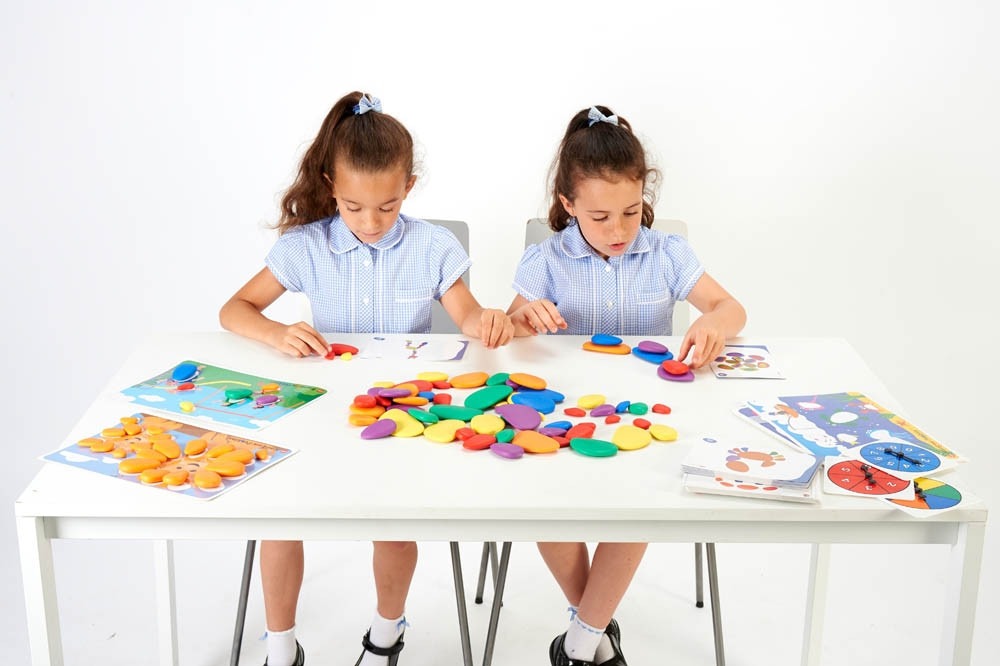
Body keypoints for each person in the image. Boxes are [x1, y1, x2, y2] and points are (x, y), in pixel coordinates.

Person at [220, 90, 514, 666]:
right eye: (355, 207)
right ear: (331, 184)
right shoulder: (306, 246)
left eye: (388, 205)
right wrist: (277, 333)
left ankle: (386, 635)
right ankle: (280, 647)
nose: (372, 222)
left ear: (409, 184)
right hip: (322, 407)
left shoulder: (433, 246)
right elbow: (234, 310)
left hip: (402, 413)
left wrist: (490, 321)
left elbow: (469, 317)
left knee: (394, 525)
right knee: (279, 516)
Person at [507, 105, 747, 666]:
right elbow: (506, 336)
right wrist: (523, 319)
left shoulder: (667, 254)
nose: (617, 230)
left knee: (638, 506)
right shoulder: (545, 259)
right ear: (567, 206)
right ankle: (594, 632)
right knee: (543, 506)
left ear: (645, 199)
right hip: (565, 417)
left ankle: (582, 640)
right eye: (599, 217)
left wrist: (714, 321)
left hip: (648, 421)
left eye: (631, 212)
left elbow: (730, 306)